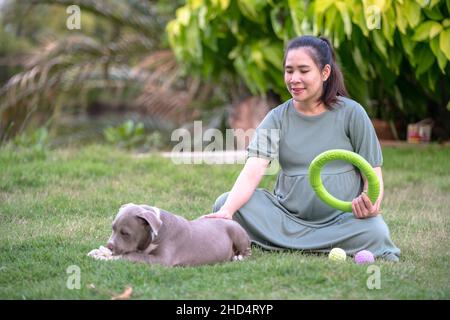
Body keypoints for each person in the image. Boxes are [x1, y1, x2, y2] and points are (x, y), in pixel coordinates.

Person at [205, 35, 400, 261]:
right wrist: (227, 212)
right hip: (287, 218)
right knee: (226, 202)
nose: (294, 78)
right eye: (289, 71)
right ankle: (299, 240)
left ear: (325, 73)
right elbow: (254, 169)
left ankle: (288, 244)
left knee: (376, 230)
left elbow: (372, 171)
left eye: (304, 70)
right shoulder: (276, 117)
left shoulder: (352, 113)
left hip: (341, 221)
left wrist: (370, 202)